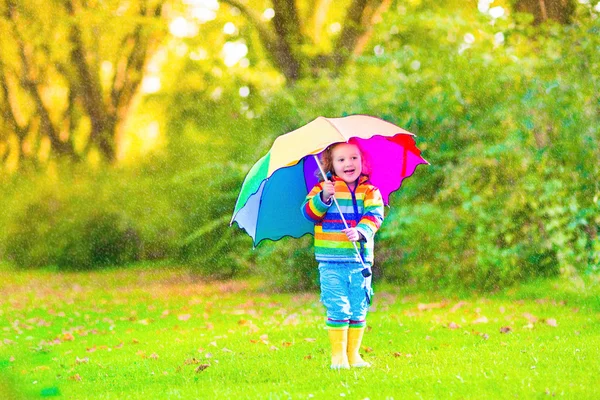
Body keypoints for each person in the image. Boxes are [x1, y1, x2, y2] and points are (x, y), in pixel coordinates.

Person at [301, 140, 385, 369]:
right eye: (341, 159)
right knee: (338, 306)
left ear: (363, 161)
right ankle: (338, 357)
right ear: (331, 164)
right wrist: (323, 199)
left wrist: (361, 231)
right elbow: (309, 213)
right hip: (331, 261)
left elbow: (375, 216)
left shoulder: (370, 191)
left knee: (358, 307)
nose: (349, 163)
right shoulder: (323, 189)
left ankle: (353, 355)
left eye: (354, 158)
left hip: (360, 261)